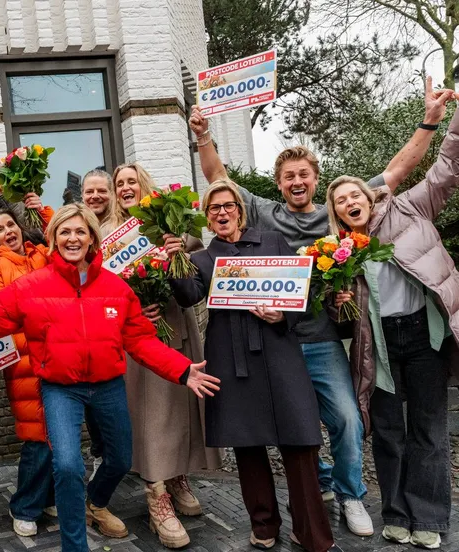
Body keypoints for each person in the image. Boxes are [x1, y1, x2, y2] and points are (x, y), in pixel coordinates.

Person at [188, 77, 454, 537]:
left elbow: (396, 171)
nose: (296, 181)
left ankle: (351, 495)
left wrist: (429, 121)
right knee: (295, 427)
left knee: (349, 419)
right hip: (275, 343)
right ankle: (320, 486)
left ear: (316, 179)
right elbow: (218, 180)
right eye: (288, 176)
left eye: (304, 175)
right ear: (278, 183)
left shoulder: (339, 209)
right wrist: (203, 137)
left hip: (321, 338)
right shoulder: (267, 215)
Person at [0, 203, 220, 552]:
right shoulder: (31, 286)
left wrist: (181, 368)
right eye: (65, 232)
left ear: (91, 239)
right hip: (59, 390)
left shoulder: (115, 288)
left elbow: (141, 340)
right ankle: (75, 545)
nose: (73, 238)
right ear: (53, 239)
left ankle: (95, 501)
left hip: (108, 387)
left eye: (80, 231)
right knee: (67, 466)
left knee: (120, 459)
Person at [172, 180, 343, 552]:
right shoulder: (201, 258)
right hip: (231, 358)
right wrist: (174, 259)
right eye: (213, 208)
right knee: (248, 445)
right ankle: (263, 525)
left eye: (227, 206)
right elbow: (188, 296)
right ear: (207, 216)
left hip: (279, 351)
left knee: (299, 442)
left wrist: (282, 315)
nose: (221, 213)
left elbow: (302, 293)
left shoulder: (273, 242)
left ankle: (310, 529)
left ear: (239, 209)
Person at [326, 104, 458, 550]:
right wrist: (339, 303)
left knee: (429, 430)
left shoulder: (411, 208)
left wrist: (450, 121)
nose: (350, 203)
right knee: (387, 432)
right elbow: (335, 316)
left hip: (424, 336)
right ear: (338, 213)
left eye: (354, 195)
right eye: (341, 200)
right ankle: (397, 513)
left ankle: (429, 517)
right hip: (376, 346)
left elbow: (445, 170)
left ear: (370, 196)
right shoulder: (337, 253)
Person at [103, 163, 221, 548]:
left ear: (144, 185)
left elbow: (196, 279)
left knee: (183, 407)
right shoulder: (107, 235)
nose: (124, 188)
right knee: (151, 412)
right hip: (136, 336)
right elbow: (99, 289)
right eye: (119, 183)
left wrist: (177, 253)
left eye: (131, 181)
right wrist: (133, 307)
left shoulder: (172, 226)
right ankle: (157, 496)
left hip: (175, 324)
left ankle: (178, 475)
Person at [0, 204, 56, 537]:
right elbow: (4, 313)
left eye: (11, 224)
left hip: (59, 356)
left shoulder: (42, 254)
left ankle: (47, 496)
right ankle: (24, 506)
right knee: (36, 436)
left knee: (58, 433)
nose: (8, 231)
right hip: (26, 364)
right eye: (0, 229)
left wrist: (45, 212)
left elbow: (68, 245)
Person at [79, 168, 114, 478]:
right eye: (89, 191)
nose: (95, 196)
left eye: (101, 190)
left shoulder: (126, 227)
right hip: (89, 326)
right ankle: (100, 453)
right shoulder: (78, 231)